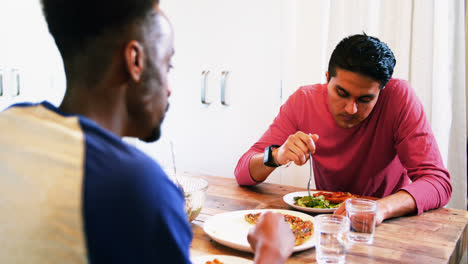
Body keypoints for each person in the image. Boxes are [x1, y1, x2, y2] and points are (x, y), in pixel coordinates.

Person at [0, 0, 294, 263]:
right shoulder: (135, 185)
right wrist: (271, 252)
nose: (169, 88)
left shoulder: (8, 127)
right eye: (168, 64)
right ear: (136, 61)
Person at [235, 34, 452, 225]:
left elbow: (437, 182)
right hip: (328, 223)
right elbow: (242, 173)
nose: (351, 108)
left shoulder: (399, 97)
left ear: (382, 91)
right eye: (341, 92)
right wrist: (276, 155)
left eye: (365, 99)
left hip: (389, 221)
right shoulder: (304, 100)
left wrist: (381, 209)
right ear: (327, 79)